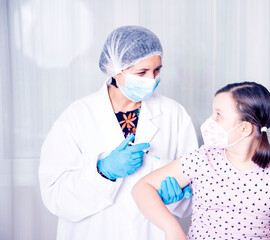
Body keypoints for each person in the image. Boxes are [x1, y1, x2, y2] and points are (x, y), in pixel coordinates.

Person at [39, 26, 198, 240]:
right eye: (141, 72)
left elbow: (195, 186)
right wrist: (104, 172)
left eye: (157, 70)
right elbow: (54, 196)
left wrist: (179, 198)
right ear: (113, 69)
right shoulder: (76, 117)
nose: (152, 79)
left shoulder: (173, 114)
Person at [132, 82, 270, 240]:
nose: (210, 120)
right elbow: (142, 188)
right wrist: (171, 228)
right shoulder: (203, 158)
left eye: (218, 115)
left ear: (244, 128)